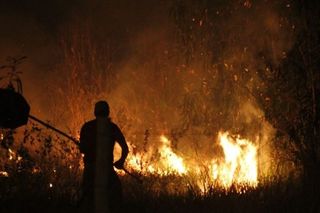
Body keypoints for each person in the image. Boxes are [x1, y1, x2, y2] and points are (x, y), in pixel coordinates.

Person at [79, 100, 129, 213]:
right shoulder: (112, 128)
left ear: (95, 112)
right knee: (115, 198)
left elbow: (82, 149)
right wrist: (121, 161)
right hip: (107, 170)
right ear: (108, 112)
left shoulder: (87, 127)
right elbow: (125, 148)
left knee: (88, 199)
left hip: (90, 170)